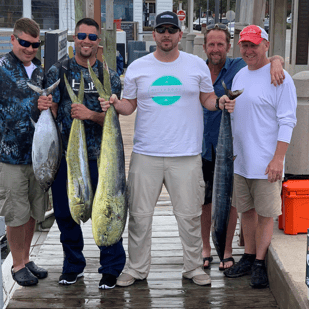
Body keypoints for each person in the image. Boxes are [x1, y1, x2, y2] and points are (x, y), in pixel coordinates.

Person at [100, 11, 235, 287]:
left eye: (171, 30)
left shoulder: (196, 65)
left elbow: (207, 99)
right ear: (154, 34)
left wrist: (219, 103)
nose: (166, 34)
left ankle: (193, 267)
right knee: (139, 217)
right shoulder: (138, 67)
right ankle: (137, 268)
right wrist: (115, 103)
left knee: (190, 216)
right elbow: (129, 106)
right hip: (146, 154)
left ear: (178, 34)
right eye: (161, 29)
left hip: (186, 155)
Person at [40, 18, 125, 290]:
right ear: (73, 39)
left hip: (103, 156)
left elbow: (112, 120)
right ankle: (73, 265)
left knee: (109, 209)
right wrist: (46, 107)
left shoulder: (109, 76)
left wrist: (91, 114)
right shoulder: (57, 71)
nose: (86, 41)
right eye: (81, 36)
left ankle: (110, 268)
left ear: (98, 41)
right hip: (68, 155)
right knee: (66, 213)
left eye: (91, 37)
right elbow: (50, 111)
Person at [201, 24, 285, 270]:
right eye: (211, 44)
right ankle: (206, 249)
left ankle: (227, 251)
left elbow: (264, 58)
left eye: (220, 44)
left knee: (233, 202)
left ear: (228, 46)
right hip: (204, 146)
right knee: (205, 202)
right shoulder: (197, 69)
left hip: (231, 152)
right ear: (204, 47)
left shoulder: (238, 67)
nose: (215, 49)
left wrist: (277, 61)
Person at [223, 25, 297, 288]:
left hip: (267, 163)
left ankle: (260, 262)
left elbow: (287, 120)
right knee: (247, 212)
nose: (248, 50)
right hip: (240, 161)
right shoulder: (240, 75)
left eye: (254, 45)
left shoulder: (280, 77)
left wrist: (279, 158)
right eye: (244, 45)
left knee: (266, 215)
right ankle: (250, 255)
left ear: (266, 45)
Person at [0, 18, 49, 286]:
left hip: (39, 156)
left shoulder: (40, 73)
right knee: (16, 213)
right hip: (10, 156)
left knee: (33, 210)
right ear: (13, 39)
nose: (29, 49)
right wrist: (34, 106)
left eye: (35, 44)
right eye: (24, 43)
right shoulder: (1, 68)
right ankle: (17, 263)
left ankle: (27, 258)